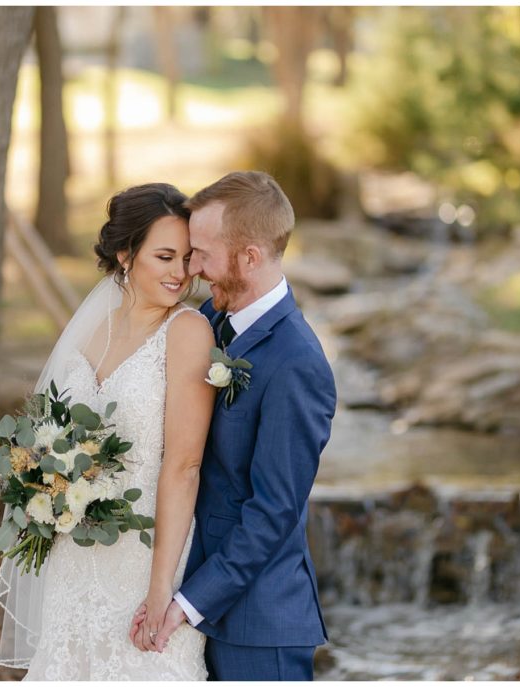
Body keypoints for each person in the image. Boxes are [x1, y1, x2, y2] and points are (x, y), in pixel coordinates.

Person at [0, 183, 215, 680]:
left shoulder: (187, 333)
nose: (180, 273)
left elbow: (184, 466)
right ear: (125, 254)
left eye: (187, 257)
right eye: (164, 256)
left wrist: (163, 590)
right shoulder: (92, 330)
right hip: (74, 557)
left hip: (145, 558)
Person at [129, 171, 337, 681]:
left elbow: (272, 513)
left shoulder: (297, 364)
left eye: (201, 253)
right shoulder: (209, 320)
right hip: (196, 597)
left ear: (250, 257)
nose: (192, 269)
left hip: (257, 629)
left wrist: (187, 603)